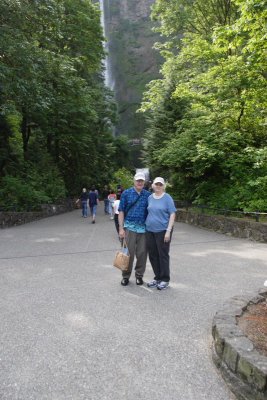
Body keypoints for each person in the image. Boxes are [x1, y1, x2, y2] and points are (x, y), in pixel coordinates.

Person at [118, 172, 151, 286]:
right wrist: (121, 229)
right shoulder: (126, 193)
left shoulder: (148, 195)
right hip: (129, 228)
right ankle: (125, 276)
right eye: (138, 180)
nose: (140, 182)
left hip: (143, 229)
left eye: (142, 181)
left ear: (144, 182)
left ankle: (139, 276)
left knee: (142, 254)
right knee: (128, 254)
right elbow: (121, 211)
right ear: (134, 181)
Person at [145, 177, 176, 290]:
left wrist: (168, 231)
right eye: (156, 184)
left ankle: (165, 279)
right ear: (153, 185)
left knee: (163, 255)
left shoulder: (167, 198)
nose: (158, 186)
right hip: (149, 230)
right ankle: (157, 277)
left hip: (163, 231)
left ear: (163, 186)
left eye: (160, 184)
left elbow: (172, 214)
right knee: (153, 255)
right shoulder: (149, 198)